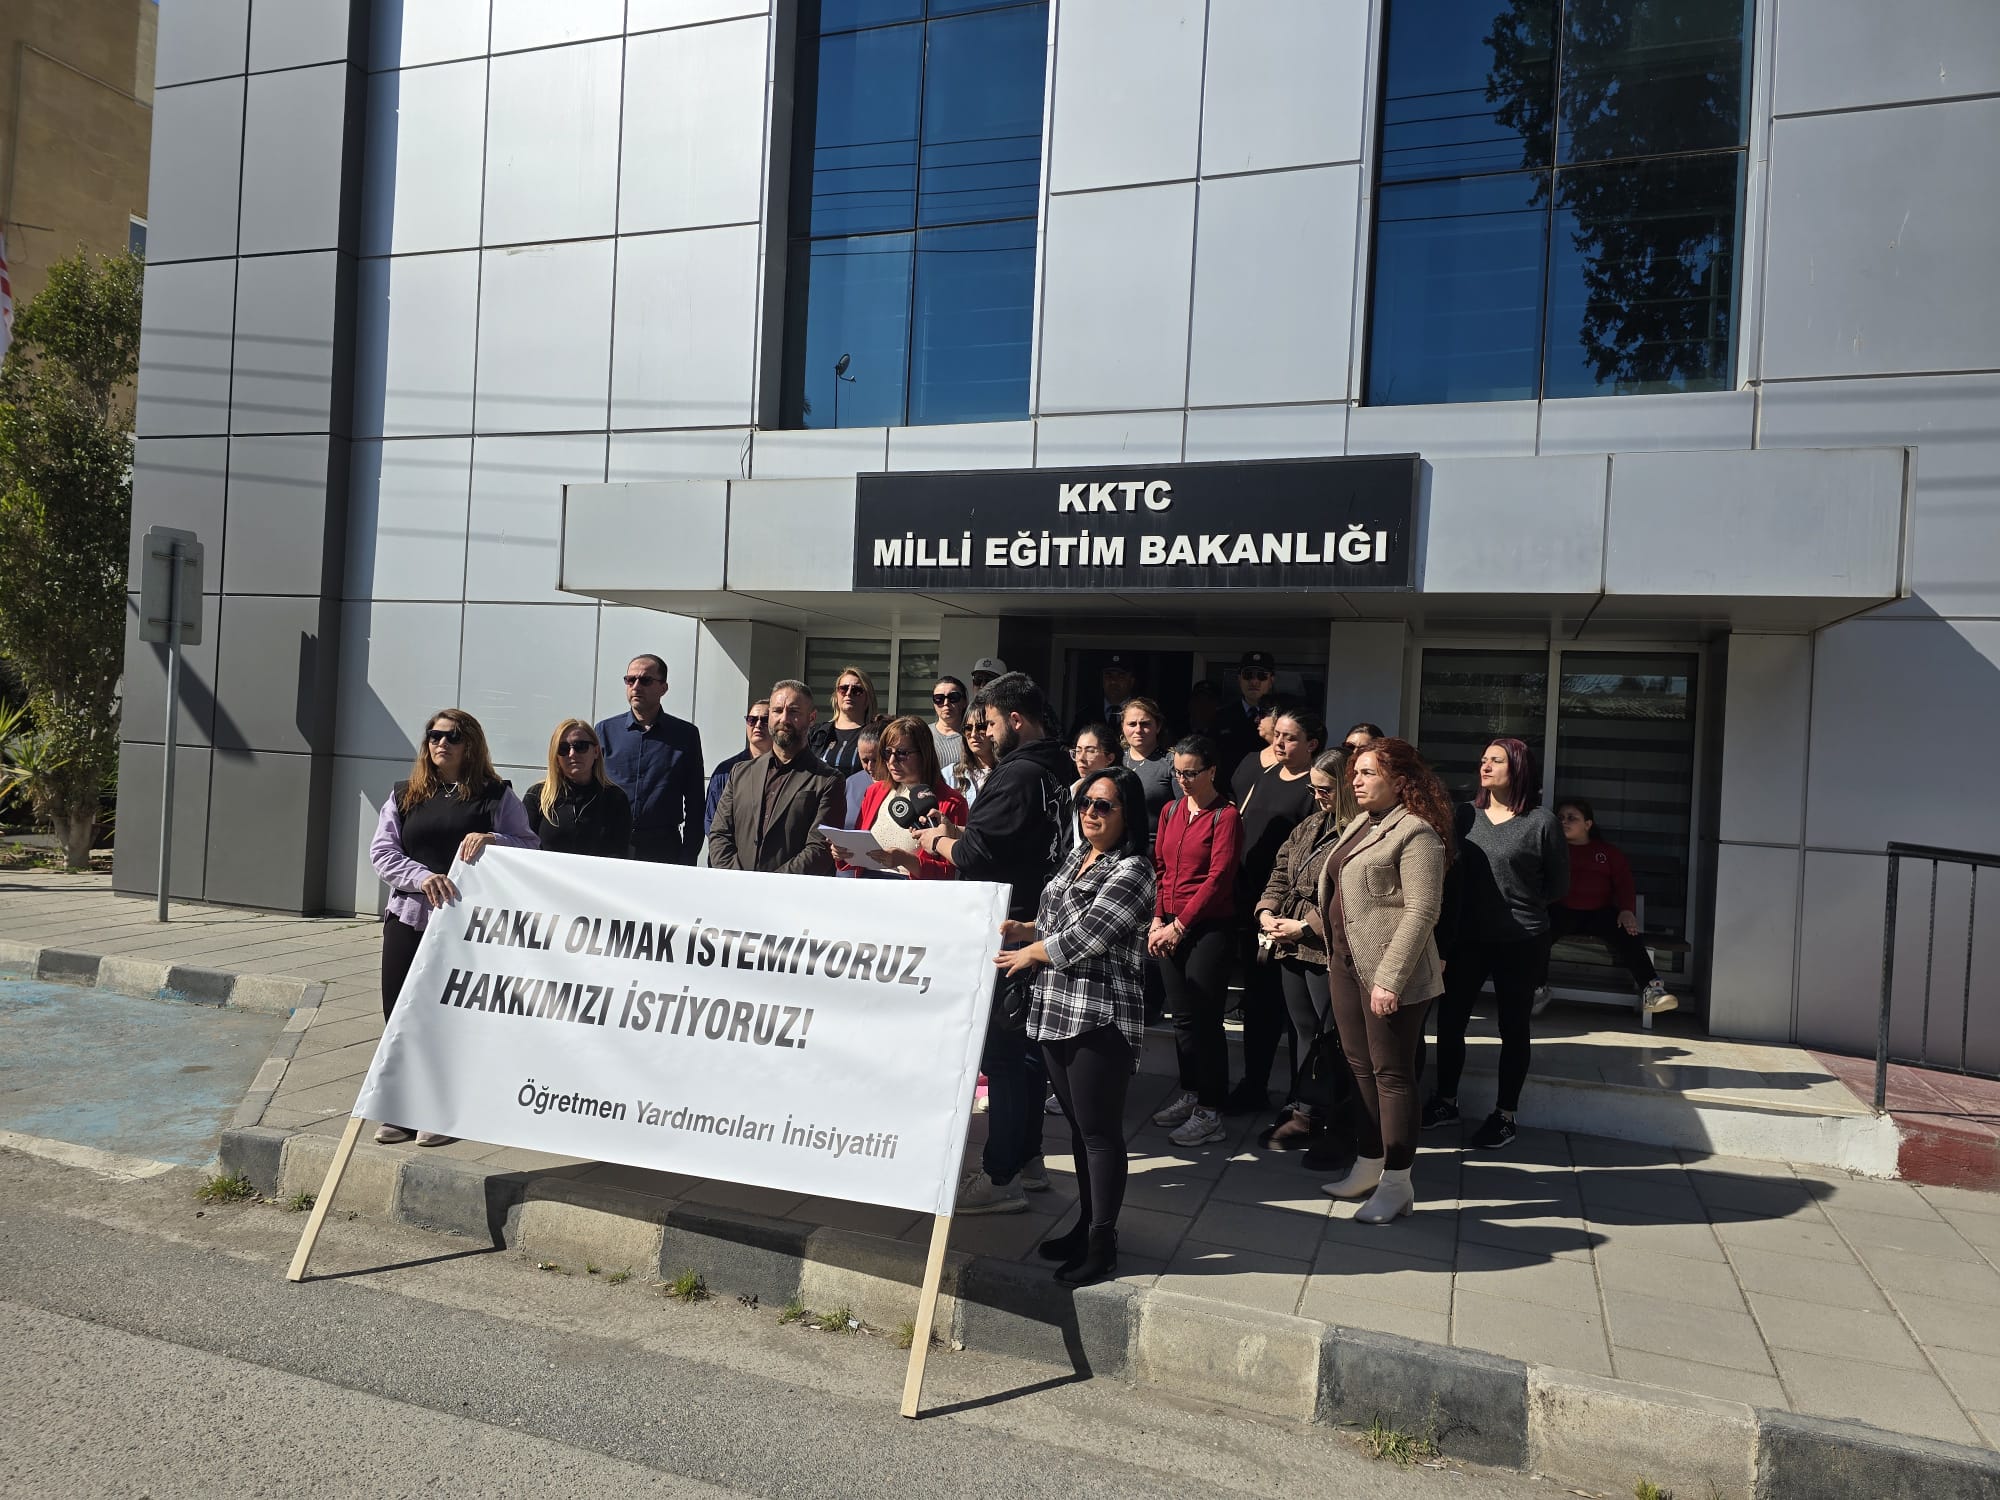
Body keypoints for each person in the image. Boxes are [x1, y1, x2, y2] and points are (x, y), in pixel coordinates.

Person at [913, 672, 1073, 1214]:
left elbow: (977, 857)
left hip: (1007, 931)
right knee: (1024, 1058)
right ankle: (1027, 1161)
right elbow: (1007, 844)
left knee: (1004, 1058)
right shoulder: (1054, 769)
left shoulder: (1019, 773)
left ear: (1016, 720)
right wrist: (958, 834)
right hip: (1031, 924)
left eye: (990, 722)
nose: (982, 732)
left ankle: (1000, 1176)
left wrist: (936, 841)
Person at [996, 764, 1155, 1285]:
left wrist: (1031, 953)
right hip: (1056, 1009)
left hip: (1099, 1015)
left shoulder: (1133, 870)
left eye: (1103, 805)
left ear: (1127, 814)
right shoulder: (1078, 854)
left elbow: (1090, 934)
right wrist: (1026, 929)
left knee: (1100, 1134)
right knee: (1081, 1132)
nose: (1090, 813)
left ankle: (1103, 1244)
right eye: (1085, 803)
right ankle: (1087, 1226)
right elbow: (1058, 918)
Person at [367, 709, 537, 1146]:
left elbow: (529, 845)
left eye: (453, 736)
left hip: (465, 927)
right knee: (399, 1013)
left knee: (448, 1018)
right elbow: (382, 852)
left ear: (470, 744)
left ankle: (441, 1112)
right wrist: (421, 877)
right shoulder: (405, 794)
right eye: (434, 735)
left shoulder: (496, 797)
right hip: (409, 918)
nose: (441, 742)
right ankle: (401, 1109)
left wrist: (494, 839)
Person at [1317, 737, 1452, 1223]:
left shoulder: (1417, 833)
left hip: (1390, 975)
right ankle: (1370, 1162)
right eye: (1355, 772)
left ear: (1400, 780)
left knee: (1392, 1075)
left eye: (1368, 772)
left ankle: (1397, 1183)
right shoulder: (1362, 823)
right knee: (1359, 1066)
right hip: (1345, 965)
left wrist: (1390, 980)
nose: (1355, 780)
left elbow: (1422, 911)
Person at [1424, 737, 1569, 1151]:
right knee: (1450, 1021)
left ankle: (1505, 1115)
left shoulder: (1541, 822)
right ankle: (1445, 1101)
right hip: (1467, 937)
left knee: (1513, 1026)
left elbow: (1558, 885)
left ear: (1518, 768)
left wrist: (1521, 905)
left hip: (1521, 940)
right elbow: (1450, 873)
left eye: (1497, 760)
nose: (1485, 766)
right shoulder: (1465, 815)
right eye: (1483, 759)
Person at [1254, 747, 1361, 1149]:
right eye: (1312, 789)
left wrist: (1306, 926)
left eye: (1325, 790)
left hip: (1325, 945)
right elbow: (1280, 872)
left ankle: (1335, 1118)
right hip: (1291, 943)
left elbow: (1351, 895)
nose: (1317, 797)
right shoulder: (1310, 825)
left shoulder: (1359, 832)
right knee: (1303, 1029)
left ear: (1346, 786)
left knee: (1331, 1035)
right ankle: (1305, 1109)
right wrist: (1267, 911)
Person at [1148, 734, 1242, 1147]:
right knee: (1182, 1017)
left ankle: (1211, 1108)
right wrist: (1157, 919)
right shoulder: (1170, 811)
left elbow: (1218, 877)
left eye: (1191, 773)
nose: (1183, 781)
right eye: (1178, 773)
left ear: (1212, 771)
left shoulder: (1225, 816)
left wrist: (1180, 925)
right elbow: (1161, 867)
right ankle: (1191, 1091)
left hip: (1206, 928)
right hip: (1169, 923)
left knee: (1205, 1018)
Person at [1232, 708, 1325, 1114]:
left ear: (1312, 744)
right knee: (1258, 1001)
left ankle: (1299, 1097)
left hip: (1292, 912)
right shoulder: (1265, 775)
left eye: (1290, 737)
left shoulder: (1314, 790)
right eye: (1278, 735)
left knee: (1294, 1010)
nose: (1279, 742)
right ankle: (1254, 1084)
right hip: (1255, 904)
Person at [1535, 798, 1678, 1016]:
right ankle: (1537, 989)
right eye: (1560, 817)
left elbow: (1624, 884)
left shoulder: (1607, 852)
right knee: (1537, 934)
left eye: (1572, 818)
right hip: (1561, 910)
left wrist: (1627, 910)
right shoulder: (1552, 850)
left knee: (1628, 933)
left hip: (1600, 912)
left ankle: (1652, 991)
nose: (1564, 822)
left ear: (1588, 824)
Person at [707, 679, 846, 876]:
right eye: (777, 711)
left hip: (793, 892)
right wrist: (738, 880)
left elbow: (819, 850)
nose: (784, 719)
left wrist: (770, 885)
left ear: (812, 717)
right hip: (736, 887)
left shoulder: (828, 780)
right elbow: (719, 834)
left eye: (794, 712)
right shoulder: (740, 773)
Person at [597, 654, 704, 864]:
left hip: (663, 848)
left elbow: (695, 803)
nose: (636, 686)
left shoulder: (685, 735)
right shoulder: (605, 731)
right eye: (630, 680)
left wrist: (688, 856)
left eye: (645, 680)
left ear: (664, 688)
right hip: (610, 844)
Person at [848, 715, 967, 880]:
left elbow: (951, 874)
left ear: (923, 754)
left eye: (902, 753)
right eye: (887, 752)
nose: (892, 761)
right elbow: (859, 849)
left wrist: (905, 860)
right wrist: (845, 851)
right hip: (867, 885)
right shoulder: (874, 792)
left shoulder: (951, 802)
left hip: (914, 891)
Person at [523, 719, 631, 858]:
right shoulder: (537, 795)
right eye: (563, 748)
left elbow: (618, 854)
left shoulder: (615, 798)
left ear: (596, 751)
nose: (572, 753)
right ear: (556, 756)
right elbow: (523, 846)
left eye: (580, 746)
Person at [705, 700, 770, 835]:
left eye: (765, 720)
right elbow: (712, 822)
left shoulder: (787, 771)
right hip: (730, 847)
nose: (758, 725)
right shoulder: (726, 771)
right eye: (752, 720)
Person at [1119, 697, 1174, 847]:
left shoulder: (1171, 763)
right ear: (1123, 727)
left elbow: (1185, 812)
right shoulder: (1114, 760)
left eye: (1145, 724)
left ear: (1158, 726)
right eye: (1132, 724)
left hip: (1155, 850)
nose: (1138, 730)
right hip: (1116, 850)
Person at [806, 665, 876, 776]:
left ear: (868, 698)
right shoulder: (817, 733)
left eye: (856, 690)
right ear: (836, 695)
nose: (848, 693)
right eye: (843, 689)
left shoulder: (876, 735)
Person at [1215, 649, 1278, 770]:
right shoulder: (1222, 716)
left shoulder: (1282, 718)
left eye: (1261, 676)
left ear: (1271, 680)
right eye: (1248, 675)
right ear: (1239, 679)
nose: (1254, 681)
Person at [1229, 703, 1282, 803]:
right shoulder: (1250, 758)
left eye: (1262, 715)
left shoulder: (1293, 762)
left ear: (1280, 717)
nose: (1256, 720)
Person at [842, 718, 888, 829]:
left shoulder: (904, 786)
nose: (870, 766)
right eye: (865, 760)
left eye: (876, 760)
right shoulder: (851, 784)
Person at [954, 708, 997, 807]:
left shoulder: (1007, 773)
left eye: (981, 727)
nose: (973, 734)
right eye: (968, 728)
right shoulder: (949, 775)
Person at [929, 675, 969, 776]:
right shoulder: (923, 734)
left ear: (964, 702)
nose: (946, 703)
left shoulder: (973, 735)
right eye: (939, 698)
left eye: (953, 697)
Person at [1069, 721, 1116, 799]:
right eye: (1078, 750)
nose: (1081, 758)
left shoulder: (1115, 792)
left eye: (1090, 751)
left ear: (1109, 758)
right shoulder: (1073, 789)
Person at [1099, 653, 1138, 723]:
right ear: (1102, 680)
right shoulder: (1085, 714)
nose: (1113, 681)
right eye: (1109, 675)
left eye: (1121, 676)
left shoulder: (1142, 713)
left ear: (1131, 681)